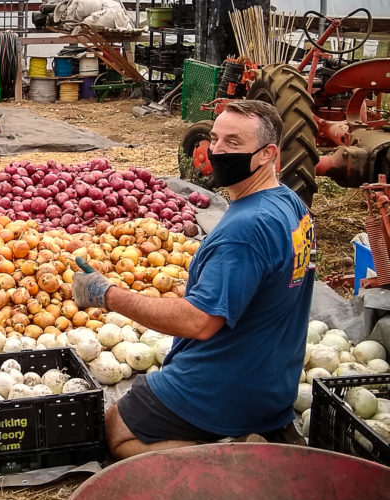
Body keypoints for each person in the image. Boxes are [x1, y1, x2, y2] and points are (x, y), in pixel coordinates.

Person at [72, 99, 315, 460]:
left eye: (233, 143)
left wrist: (108, 294)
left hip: (219, 388)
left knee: (112, 434)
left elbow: (199, 322)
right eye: (215, 139)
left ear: (267, 154)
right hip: (274, 384)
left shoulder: (245, 230)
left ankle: (230, 452)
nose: (216, 151)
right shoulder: (291, 206)